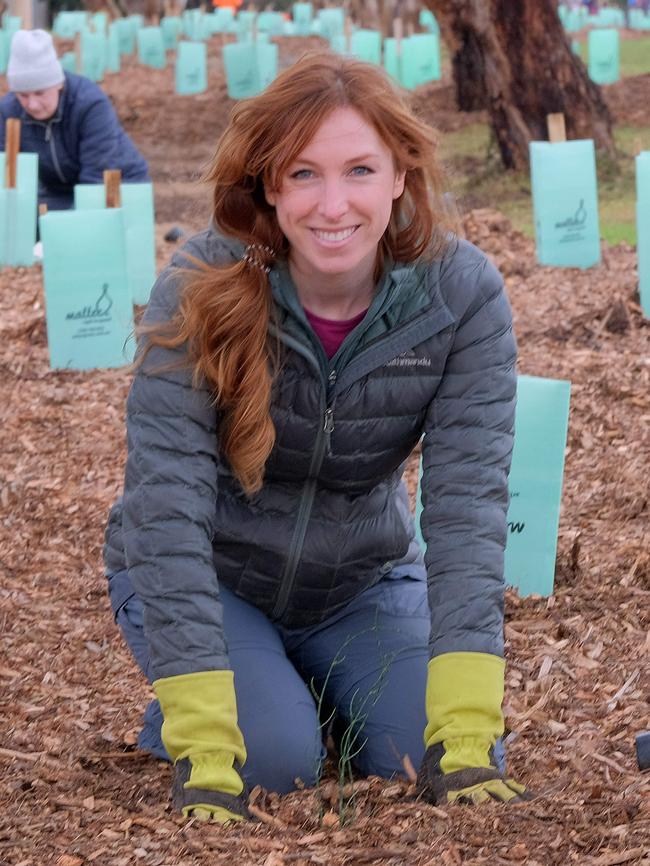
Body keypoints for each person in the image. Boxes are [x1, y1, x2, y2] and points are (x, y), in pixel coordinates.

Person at [104, 51, 530, 822]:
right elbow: (164, 509)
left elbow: (469, 506)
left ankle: (292, 684)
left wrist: (467, 724)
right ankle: (236, 692)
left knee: (416, 752)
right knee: (273, 761)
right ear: (269, 184)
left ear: (400, 176)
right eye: (303, 174)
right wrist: (205, 734)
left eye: (360, 171)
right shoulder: (199, 284)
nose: (333, 205)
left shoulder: (463, 296)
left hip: (360, 581)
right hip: (217, 574)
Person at [0, 29, 149, 211]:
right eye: (23, 95)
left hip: (118, 186)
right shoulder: (8, 111)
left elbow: (95, 179)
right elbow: (7, 177)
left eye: (40, 93)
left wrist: (67, 229)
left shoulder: (90, 104)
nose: (33, 104)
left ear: (58, 84)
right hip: (59, 192)